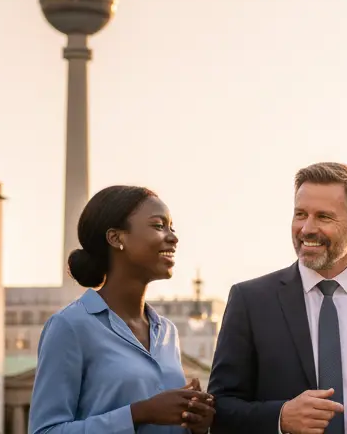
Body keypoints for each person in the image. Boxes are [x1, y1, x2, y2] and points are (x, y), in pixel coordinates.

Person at [208, 162, 347, 434]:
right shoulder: (250, 300)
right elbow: (219, 408)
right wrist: (280, 418)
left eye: (323, 217)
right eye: (300, 214)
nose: (306, 229)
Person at [29, 185, 215, 433]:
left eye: (172, 227)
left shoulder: (167, 332)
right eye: (158, 226)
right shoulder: (70, 326)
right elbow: (45, 430)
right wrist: (139, 413)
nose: (173, 237)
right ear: (116, 238)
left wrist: (195, 424)